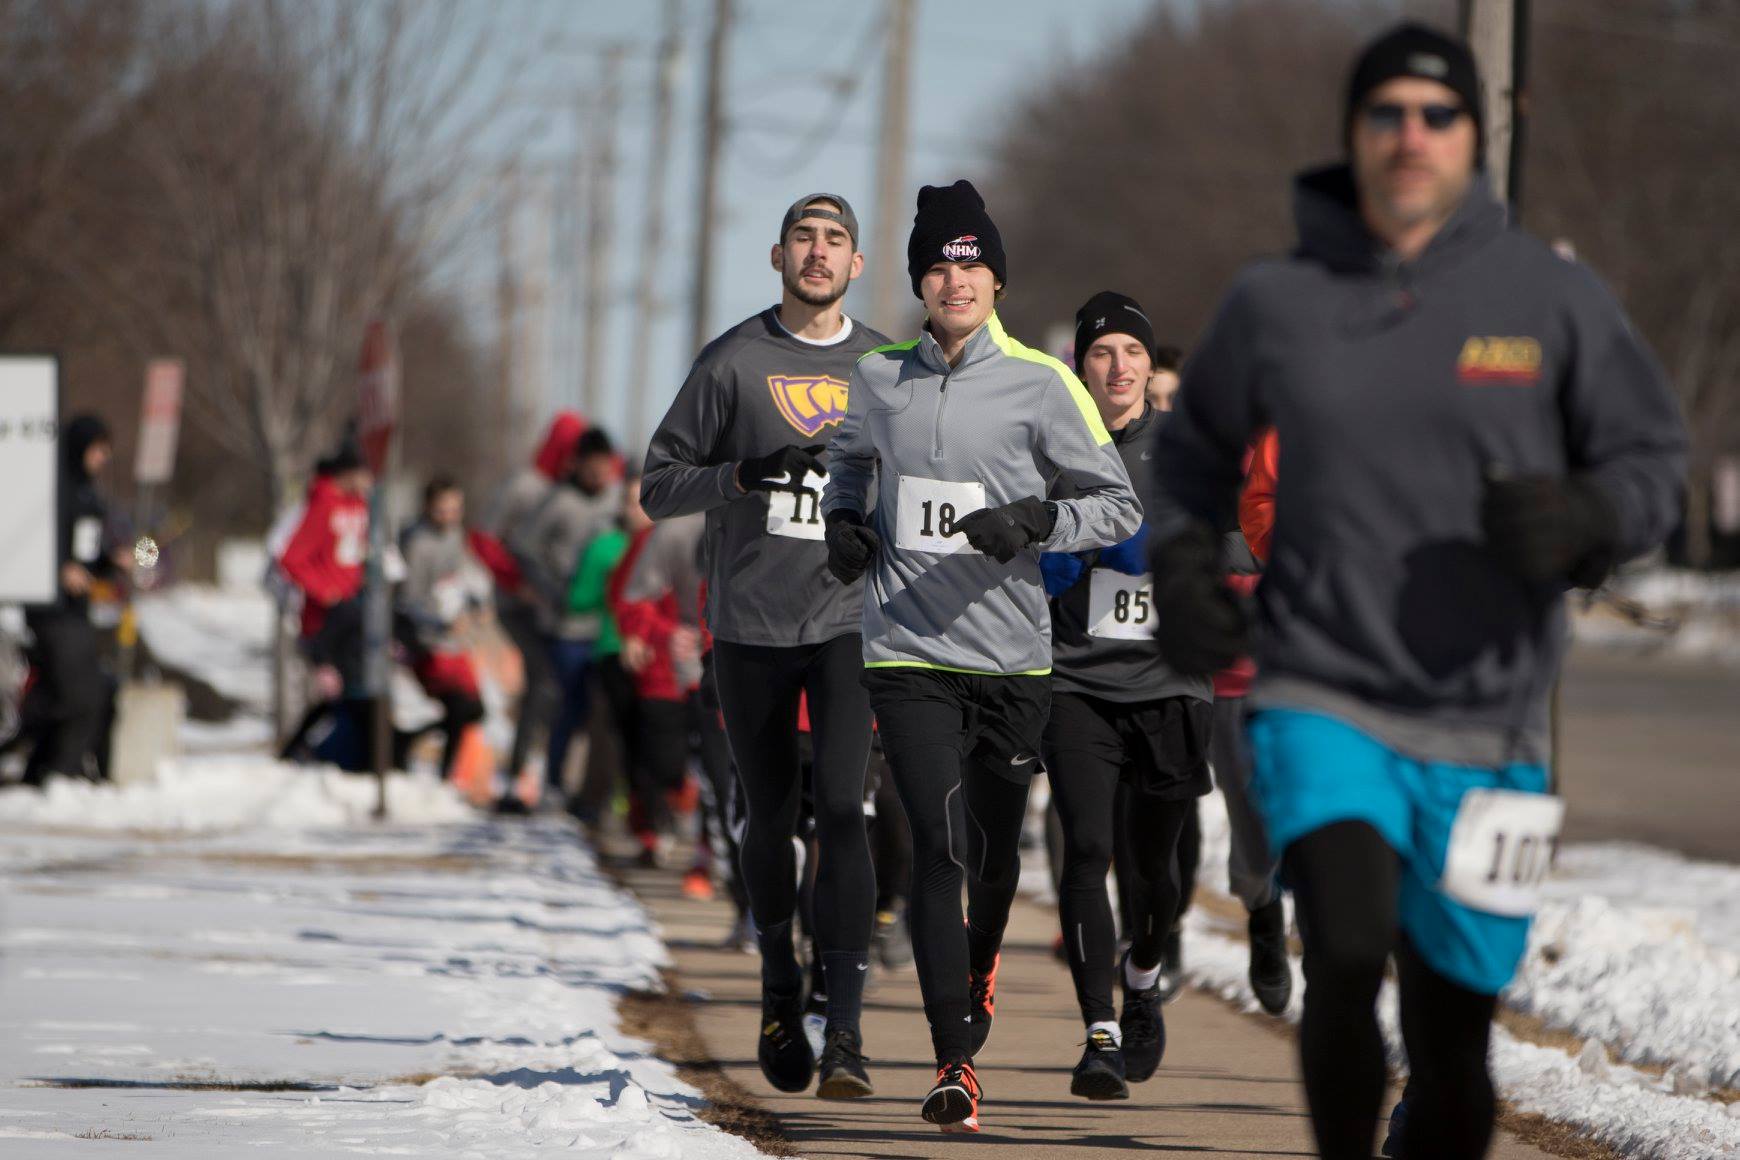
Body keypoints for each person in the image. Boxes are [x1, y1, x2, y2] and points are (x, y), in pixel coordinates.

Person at [1142, 24, 1685, 1160]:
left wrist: (1586, 516)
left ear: (1474, 139)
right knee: (1343, 938)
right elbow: (1189, 458)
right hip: (1319, 688)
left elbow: (1648, 464)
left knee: (1453, 1046)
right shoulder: (1277, 301)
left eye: (1437, 115)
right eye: (1385, 112)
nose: (1411, 135)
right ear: (1352, 134)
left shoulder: (1548, 296)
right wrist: (1185, 564)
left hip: (1487, 719)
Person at [821, 180, 1140, 1132]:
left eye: (971, 263)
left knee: (994, 857)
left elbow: (1117, 504)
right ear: (920, 279)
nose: (954, 279)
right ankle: (953, 1060)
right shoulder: (878, 377)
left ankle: (981, 968)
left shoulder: (1046, 384)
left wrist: (1038, 519)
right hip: (907, 646)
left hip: (1010, 660)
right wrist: (843, 523)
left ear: (996, 279)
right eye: (937, 263)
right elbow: (850, 466)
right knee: (937, 848)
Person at [641, 193, 890, 1100]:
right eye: (803, 239)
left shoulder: (884, 365)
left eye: (835, 241)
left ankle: (850, 1029)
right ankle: (781, 988)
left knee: (843, 807)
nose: (818, 253)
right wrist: (743, 472)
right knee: (770, 818)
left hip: (851, 621)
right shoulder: (733, 362)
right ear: (776, 255)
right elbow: (657, 486)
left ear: (857, 265)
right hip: (748, 624)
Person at [1036, 292, 1214, 1102]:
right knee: (1085, 853)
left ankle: (1144, 971)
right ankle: (1099, 1031)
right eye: (1101, 352)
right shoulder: (1050, 444)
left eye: (1131, 352)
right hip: (1076, 682)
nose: (1118, 366)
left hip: (1171, 684)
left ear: (1150, 365)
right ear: (1080, 365)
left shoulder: (1185, 448)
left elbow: (1241, 536)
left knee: (1158, 877)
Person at [511, 427, 622, 806]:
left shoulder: (617, 502)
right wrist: (551, 590)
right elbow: (523, 547)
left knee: (603, 715)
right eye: (593, 469)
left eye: (606, 468)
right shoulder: (557, 501)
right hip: (566, 625)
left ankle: (596, 792)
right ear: (577, 464)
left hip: (609, 626)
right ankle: (552, 781)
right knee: (566, 707)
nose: (600, 476)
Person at [476, 412, 587, 789]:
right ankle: (517, 772)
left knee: (557, 685)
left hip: (551, 607)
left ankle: (541, 769)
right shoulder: (525, 486)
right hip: (517, 603)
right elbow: (483, 538)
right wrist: (516, 581)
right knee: (544, 680)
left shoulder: (565, 491)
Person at [22, 414, 127, 786]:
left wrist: (118, 561)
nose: (103, 458)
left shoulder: (92, 496)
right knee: (80, 697)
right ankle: (56, 775)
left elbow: (96, 551)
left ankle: (58, 773)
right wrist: (57, 569)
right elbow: (25, 543)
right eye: (98, 450)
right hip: (50, 612)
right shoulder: (52, 490)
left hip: (78, 612)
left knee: (98, 693)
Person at [397, 476, 489, 778]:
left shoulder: (454, 535)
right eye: (442, 510)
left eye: (455, 509)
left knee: (473, 709)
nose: (449, 517)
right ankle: (440, 770)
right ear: (427, 508)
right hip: (424, 642)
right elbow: (407, 602)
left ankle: (421, 754)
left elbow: (461, 574)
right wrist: (442, 623)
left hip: (450, 641)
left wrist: (476, 604)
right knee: (461, 706)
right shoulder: (417, 544)